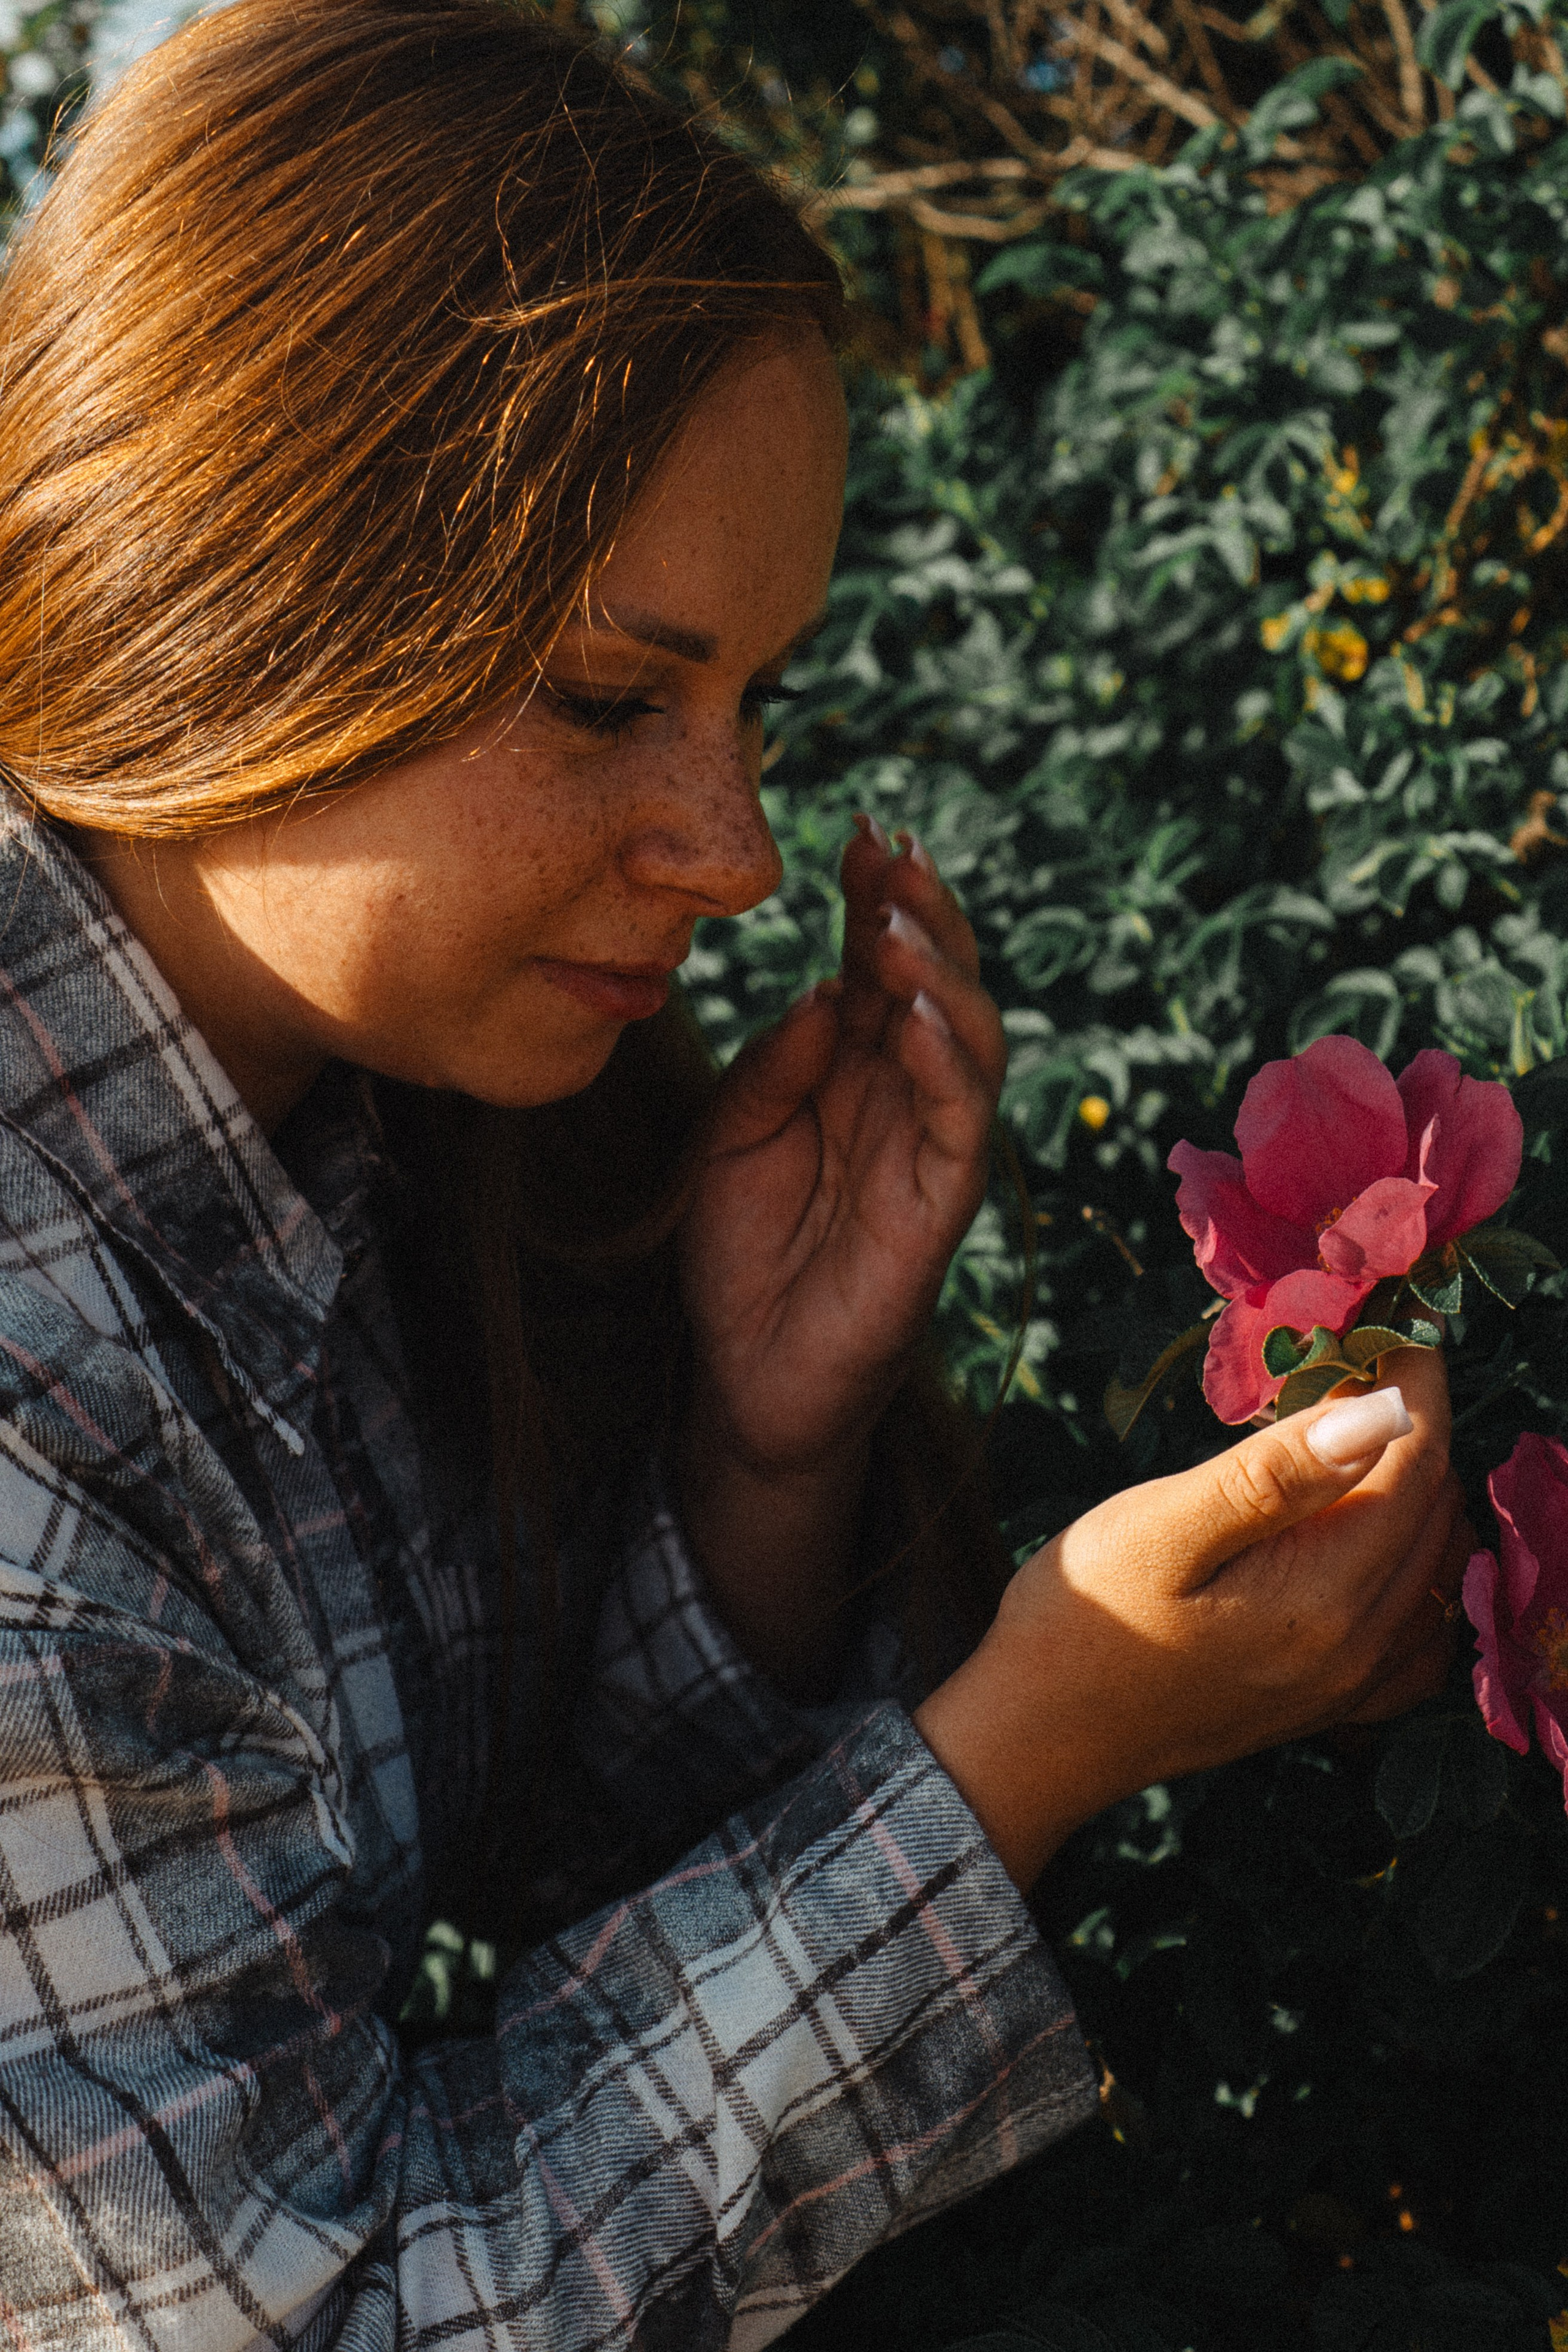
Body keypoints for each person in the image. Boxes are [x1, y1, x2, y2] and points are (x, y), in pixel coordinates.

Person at [0, 2, 1469, 2343]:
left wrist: (760, 1449)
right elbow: (333, 2304)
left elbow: (524, 1911)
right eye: (607, 699)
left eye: (755, 702)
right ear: (224, 583)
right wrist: (1035, 1740)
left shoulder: (349, 1115)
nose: (744, 852)